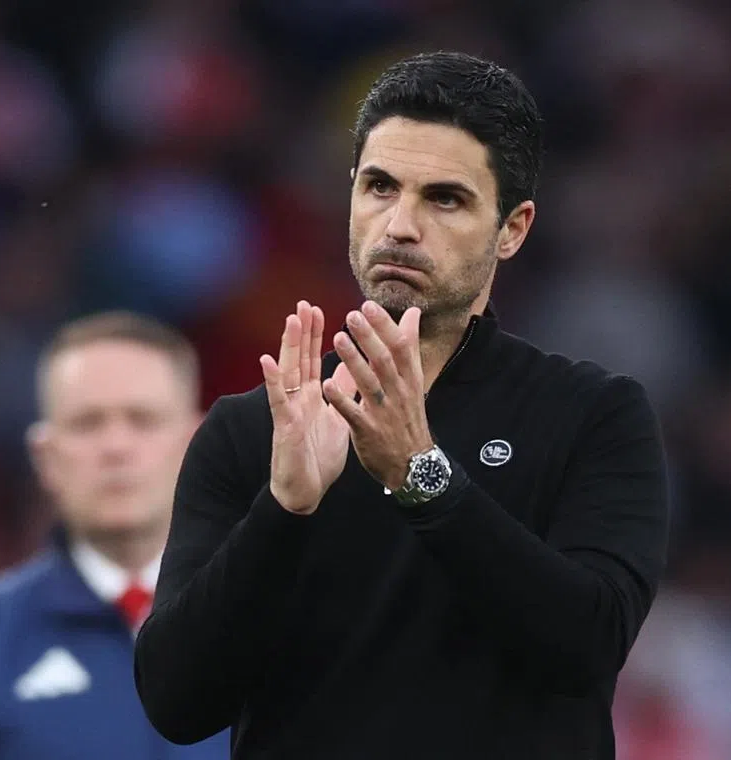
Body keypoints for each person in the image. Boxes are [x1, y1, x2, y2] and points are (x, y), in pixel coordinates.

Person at [135, 51, 670, 759]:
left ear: (512, 228)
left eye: (444, 198)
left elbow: (588, 645)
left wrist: (422, 477)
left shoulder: (593, 416)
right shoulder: (256, 429)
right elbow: (175, 701)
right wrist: (284, 511)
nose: (399, 226)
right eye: (380, 187)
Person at [0, 312, 232, 760]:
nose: (116, 447)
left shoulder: (278, 614)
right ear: (45, 456)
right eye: (88, 423)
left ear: (196, 443)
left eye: (142, 420)